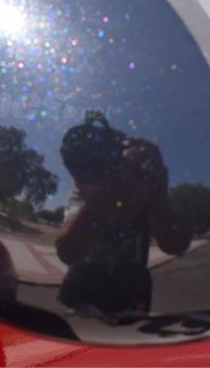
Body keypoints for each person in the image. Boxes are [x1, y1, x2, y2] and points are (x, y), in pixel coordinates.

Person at [55, 112, 191, 324]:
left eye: (98, 157)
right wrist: (98, 201)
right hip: (80, 291)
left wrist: (158, 187)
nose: (91, 170)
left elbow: (176, 245)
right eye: (80, 165)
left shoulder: (141, 187)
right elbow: (67, 252)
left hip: (132, 296)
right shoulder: (81, 194)